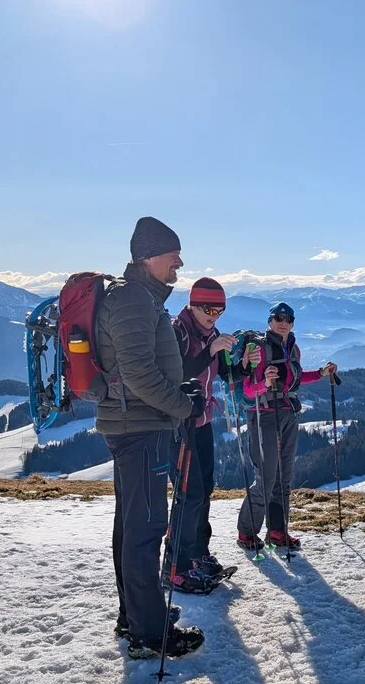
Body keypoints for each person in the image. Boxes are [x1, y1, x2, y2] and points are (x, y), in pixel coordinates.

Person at [96, 216, 206, 659]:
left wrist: (178, 391)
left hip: (137, 424)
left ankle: (138, 615)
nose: (179, 262)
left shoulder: (137, 299)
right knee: (145, 529)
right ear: (147, 256)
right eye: (172, 254)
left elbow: (140, 369)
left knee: (132, 526)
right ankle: (149, 633)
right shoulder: (133, 302)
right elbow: (139, 374)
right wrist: (182, 406)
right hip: (140, 429)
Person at [236, 302, 338, 551]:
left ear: (292, 323)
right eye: (279, 317)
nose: (284, 322)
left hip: (288, 414)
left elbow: (297, 377)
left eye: (288, 318)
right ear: (270, 321)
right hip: (263, 416)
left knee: (284, 477)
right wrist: (265, 382)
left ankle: (278, 531)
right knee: (266, 477)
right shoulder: (258, 349)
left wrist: (321, 374)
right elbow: (248, 390)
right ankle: (247, 533)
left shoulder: (293, 348)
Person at [172, 277, 248, 577]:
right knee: (188, 493)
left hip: (202, 423)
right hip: (180, 424)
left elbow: (227, 375)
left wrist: (245, 365)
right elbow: (176, 371)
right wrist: (210, 349)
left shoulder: (211, 332)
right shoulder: (178, 331)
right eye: (208, 309)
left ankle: (199, 553)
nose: (214, 316)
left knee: (204, 490)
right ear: (193, 304)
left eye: (220, 310)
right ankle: (177, 563)